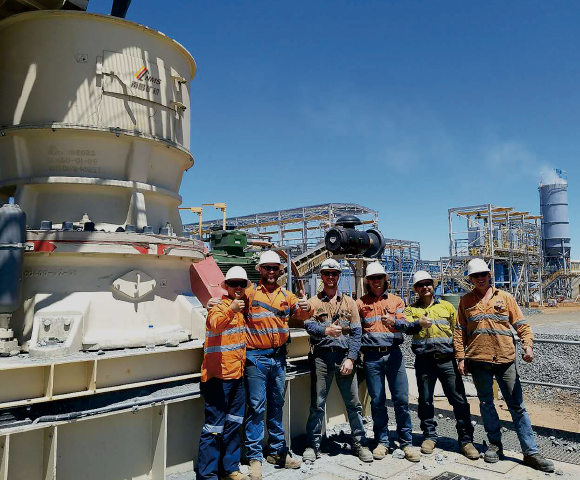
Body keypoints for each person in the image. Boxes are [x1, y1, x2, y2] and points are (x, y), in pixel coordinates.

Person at [454, 258, 555, 472]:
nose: (480, 278)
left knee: (517, 406)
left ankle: (530, 452)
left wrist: (528, 345)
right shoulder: (465, 301)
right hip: (478, 360)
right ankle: (495, 445)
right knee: (486, 404)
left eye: (483, 274)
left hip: (505, 359)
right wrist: (461, 357)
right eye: (475, 276)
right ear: (470, 279)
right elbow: (459, 330)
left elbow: (521, 324)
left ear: (489, 275)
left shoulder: (505, 297)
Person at [243, 251, 312, 479]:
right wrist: (214, 302)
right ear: (260, 270)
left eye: (275, 268)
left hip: (279, 359)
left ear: (280, 271)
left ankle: (277, 451)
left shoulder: (287, 296)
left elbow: (302, 315)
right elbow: (230, 304)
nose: (271, 272)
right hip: (256, 359)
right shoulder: (250, 293)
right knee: (256, 407)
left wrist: (306, 305)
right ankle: (254, 457)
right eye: (267, 268)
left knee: (276, 405)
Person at [302, 259, 372, 463]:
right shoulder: (314, 302)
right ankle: (312, 445)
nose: (330, 277)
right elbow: (308, 326)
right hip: (321, 358)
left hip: (344, 358)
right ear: (322, 276)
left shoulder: (349, 303)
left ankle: (360, 444)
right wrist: (326, 330)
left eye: (334, 273)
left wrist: (351, 359)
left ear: (339, 276)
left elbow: (357, 333)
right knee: (317, 404)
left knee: (354, 404)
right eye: (327, 273)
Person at [404, 271, 478, 460]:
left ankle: (466, 440)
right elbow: (406, 328)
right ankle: (429, 436)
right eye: (420, 285)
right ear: (416, 289)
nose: (425, 287)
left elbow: (457, 332)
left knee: (458, 400)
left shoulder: (447, 307)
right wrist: (418, 323)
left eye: (428, 283)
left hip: (447, 360)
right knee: (425, 400)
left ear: (433, 285)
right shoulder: (411, 310)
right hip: (424, 361)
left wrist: (461, 357)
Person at [356, 262, 420, 462]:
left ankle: (406, 442)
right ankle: (382, 442)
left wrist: (395, 322)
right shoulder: (360, 303)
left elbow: (405, 326)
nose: (376, 281)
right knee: (377, 401)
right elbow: (356, 331)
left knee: (401, 400)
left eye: (379, 277)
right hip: (372, 357)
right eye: (372, 278)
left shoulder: (396, 301)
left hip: (393, 355)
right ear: (367, 281)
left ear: (385, 279)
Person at [197, 266, 250, 480]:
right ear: (226, 286)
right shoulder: (218, 307)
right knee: (214, 428)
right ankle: (208, 475)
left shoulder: (241, 309)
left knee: (234, 424)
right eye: (233, 284)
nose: (238, 287)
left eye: (241, 284)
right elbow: (216, 325)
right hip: (218, 379)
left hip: (237, 376)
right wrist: (232, 309)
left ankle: (230, 469)